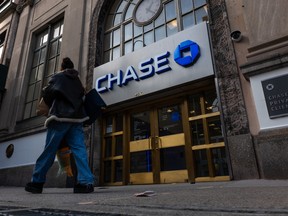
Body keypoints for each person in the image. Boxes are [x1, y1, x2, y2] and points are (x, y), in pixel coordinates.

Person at [25, 57, 94, 194]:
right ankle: (86, 183)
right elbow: (83, 98)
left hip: (60, 118)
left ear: (62, 67)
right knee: (79, 151)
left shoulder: (58, 77)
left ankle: (37, 182)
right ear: (73, 68)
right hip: (76, 120)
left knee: (49, 150)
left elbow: (48, 94)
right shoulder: (78, 82)